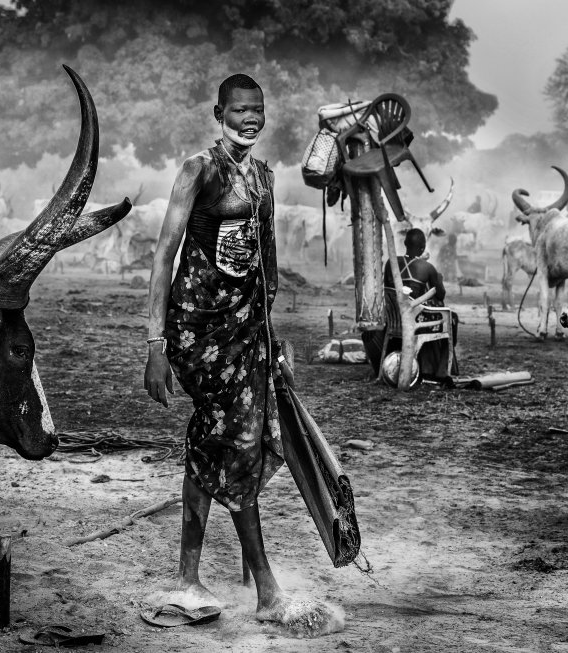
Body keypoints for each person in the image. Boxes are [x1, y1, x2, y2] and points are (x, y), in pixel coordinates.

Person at [144, 73, 341, 634]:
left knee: (215, 441)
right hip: (196, 336)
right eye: (239, 109)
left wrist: (271, 338)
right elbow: (163, 257)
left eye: (258, 109)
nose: (250, 118)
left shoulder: (261, 176)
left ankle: (189, 578)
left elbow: (264, 266)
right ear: (218, 112)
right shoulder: (198, 171)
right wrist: (155, 345)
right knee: (238, 443)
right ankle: (267, 588)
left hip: (245, 335)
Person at [383, 228, 459, 380]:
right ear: (423, 248)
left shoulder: (390, 263)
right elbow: (440, 294)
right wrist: (439, 278)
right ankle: (441, 370)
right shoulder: (427, 267)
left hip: (393, 319)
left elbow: (388, 288)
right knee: (453, 318)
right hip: (414, 320)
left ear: (405, 243)